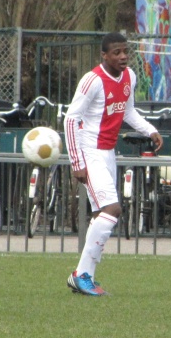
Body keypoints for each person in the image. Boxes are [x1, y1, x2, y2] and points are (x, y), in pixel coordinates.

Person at [64, 32, 163, 296]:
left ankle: (86, 277)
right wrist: (77, 161)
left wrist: (149, 130)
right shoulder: (92, 80)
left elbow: (127, 110)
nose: (122, 57)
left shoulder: (129, 76)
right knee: (112, 209)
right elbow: (71, 119)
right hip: (90, 151)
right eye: (116, 53)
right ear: (104, 55)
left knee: (102, 216)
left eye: (125, 52)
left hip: (108, 153)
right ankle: (80, 274)